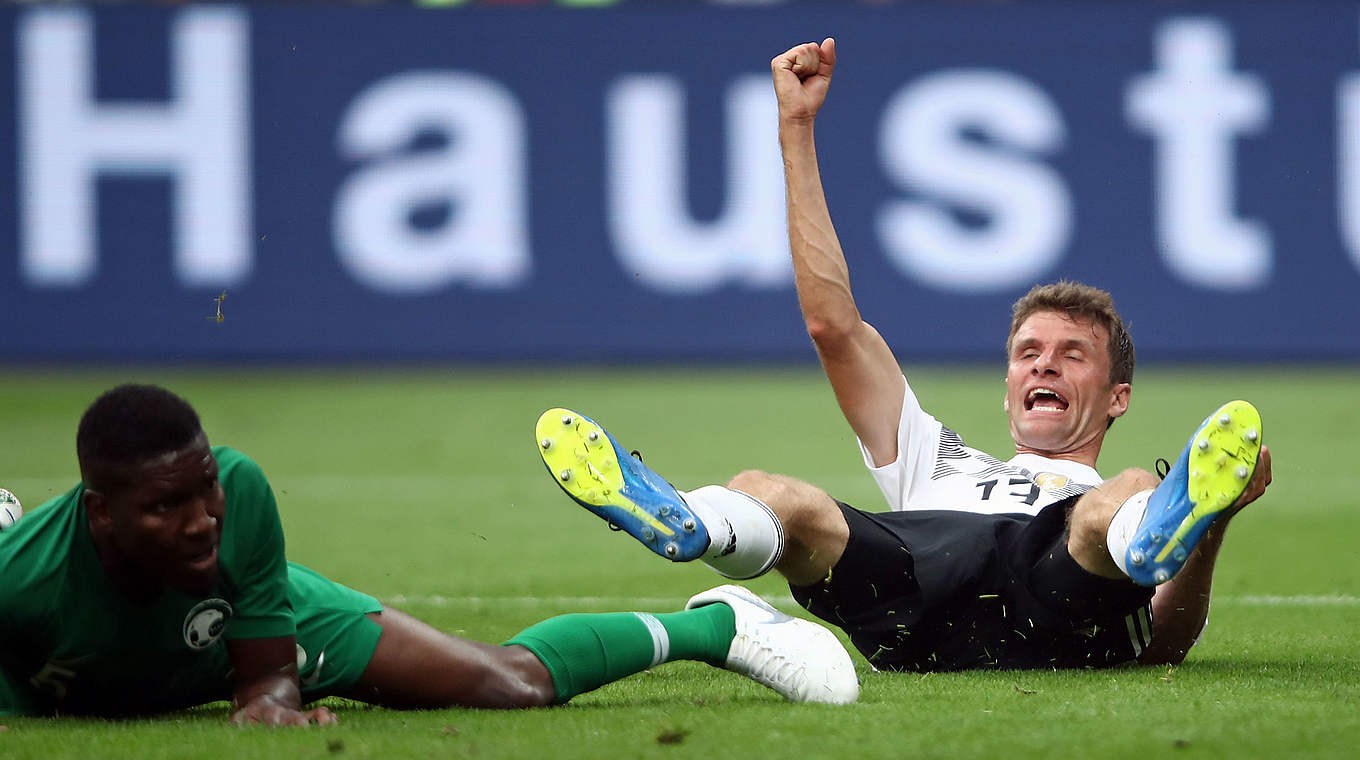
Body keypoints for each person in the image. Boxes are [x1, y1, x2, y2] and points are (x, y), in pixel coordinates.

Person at [535, 38, 1273, 673]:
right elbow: (834, 327)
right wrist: (795, 128)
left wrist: (1212, 525)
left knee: (1118, 497)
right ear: (1009, 378)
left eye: (1073, 355)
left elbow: (1167, 642)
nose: (1043, 365)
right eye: (1028, 352)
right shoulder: (933, 457)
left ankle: (1161, 540)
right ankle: (688, 523)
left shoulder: (1111, 497)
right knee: (775, 493)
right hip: (915, 607)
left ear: (1118, 396)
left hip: (1060, 606)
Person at [0, 384, 858, 723]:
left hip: (242, 634)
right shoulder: (22, 586)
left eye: (203, 494)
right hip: (121, 648)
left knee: (509, 684)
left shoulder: (239, 498)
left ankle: (715, 624)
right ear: (99, 514)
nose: (199, 523)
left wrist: (270, 703)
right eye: (163, 508)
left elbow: (264, 686)